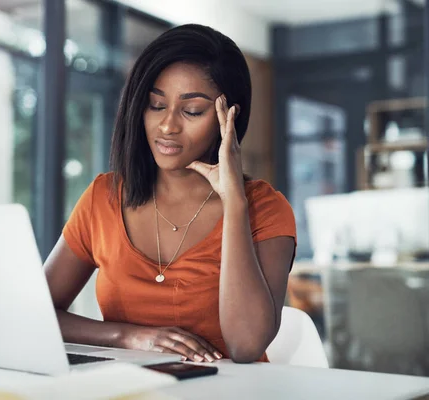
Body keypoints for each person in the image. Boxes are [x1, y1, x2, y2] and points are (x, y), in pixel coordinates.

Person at [44, 24, 296, 364]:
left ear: (230, 119)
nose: (168, 126)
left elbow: (246, 345)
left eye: (192, 111)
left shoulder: (266, 209)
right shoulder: (103, 197)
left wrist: (234, 201)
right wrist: (127, 335)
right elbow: (37, 314)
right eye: (155, 105)